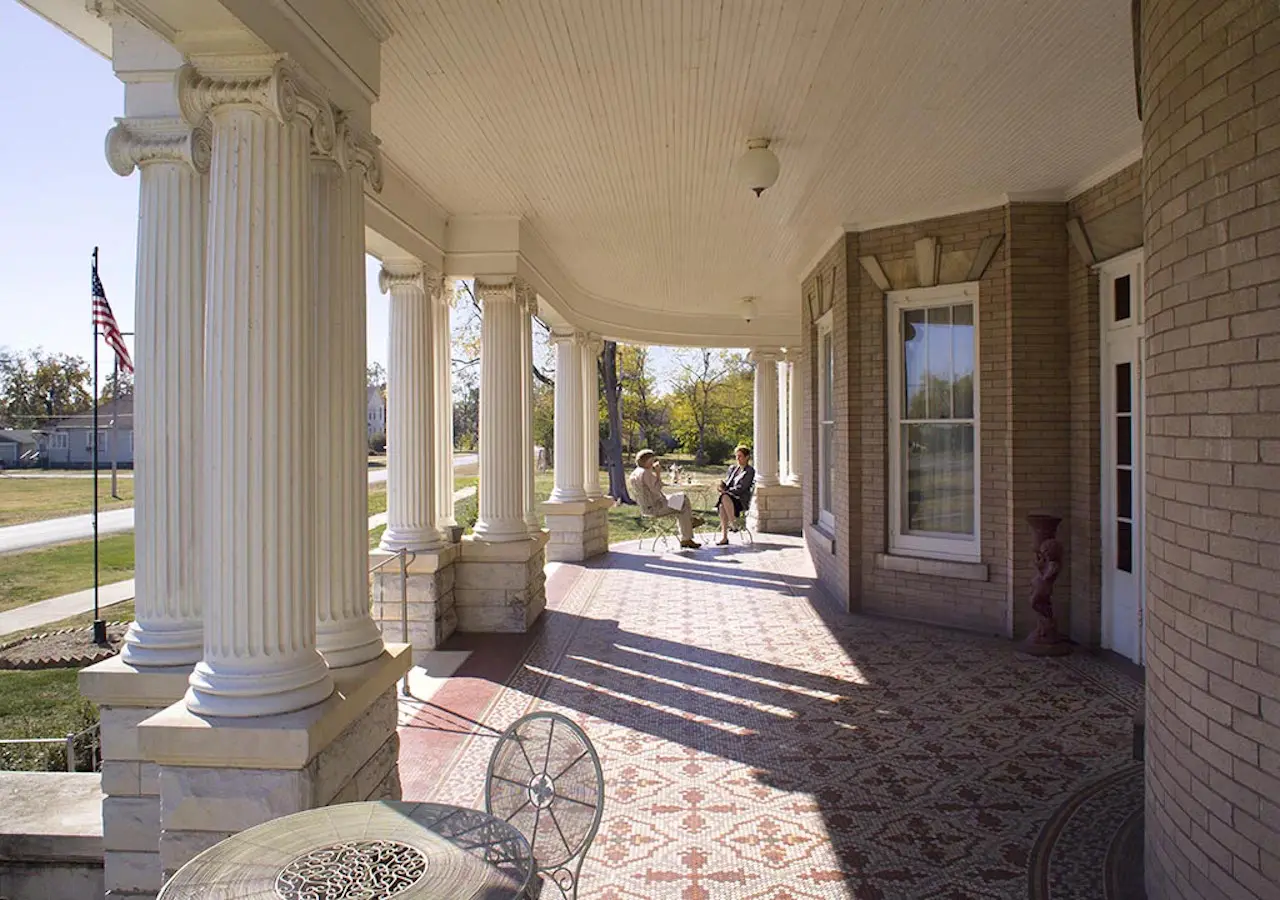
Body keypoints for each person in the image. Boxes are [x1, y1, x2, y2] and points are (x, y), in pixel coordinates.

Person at [630, 449, 703, 548]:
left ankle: (688, 532)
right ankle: (688, 530)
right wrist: (658, 473)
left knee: (681, 503)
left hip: (646, 507)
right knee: (683, 500)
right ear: (647, 461)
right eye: (651, 461)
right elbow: (656, 489)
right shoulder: (645, 473)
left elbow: (652, 488)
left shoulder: (635, 473)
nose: (652, 464)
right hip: (656, 507)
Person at [715, 445, 755, 545]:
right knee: (722, 504)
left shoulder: (749, 471)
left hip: (740, 499)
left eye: (740, 456)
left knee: (724, 498)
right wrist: (722, 487)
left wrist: (727, 492)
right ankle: (725, 537)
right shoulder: (733, 469)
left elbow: (742, 488)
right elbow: (727, 483)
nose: (737, 459)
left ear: (747, 457)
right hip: (729, 499)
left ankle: (733, 523)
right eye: (736, 456)